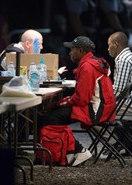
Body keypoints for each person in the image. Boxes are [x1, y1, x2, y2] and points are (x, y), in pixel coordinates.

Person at [42, 36, 116, 166]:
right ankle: (68, 152)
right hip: (102, 108)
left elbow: (81, 99)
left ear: (81, 51)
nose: (70, 52)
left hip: (96, 111)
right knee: (52, 114)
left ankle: (77, 150)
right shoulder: (93, 62)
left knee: (51, 117)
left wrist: (57, 103)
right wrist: (61, 103)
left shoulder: (87, 67)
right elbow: (81, 97)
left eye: (72, 49)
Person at [108, 32, 132, 114]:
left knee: (96, 109)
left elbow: (119, 91)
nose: (108, 49)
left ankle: (109, 127)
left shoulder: (123, 60)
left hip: (130, 105)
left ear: (116, 44)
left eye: (109, 45)